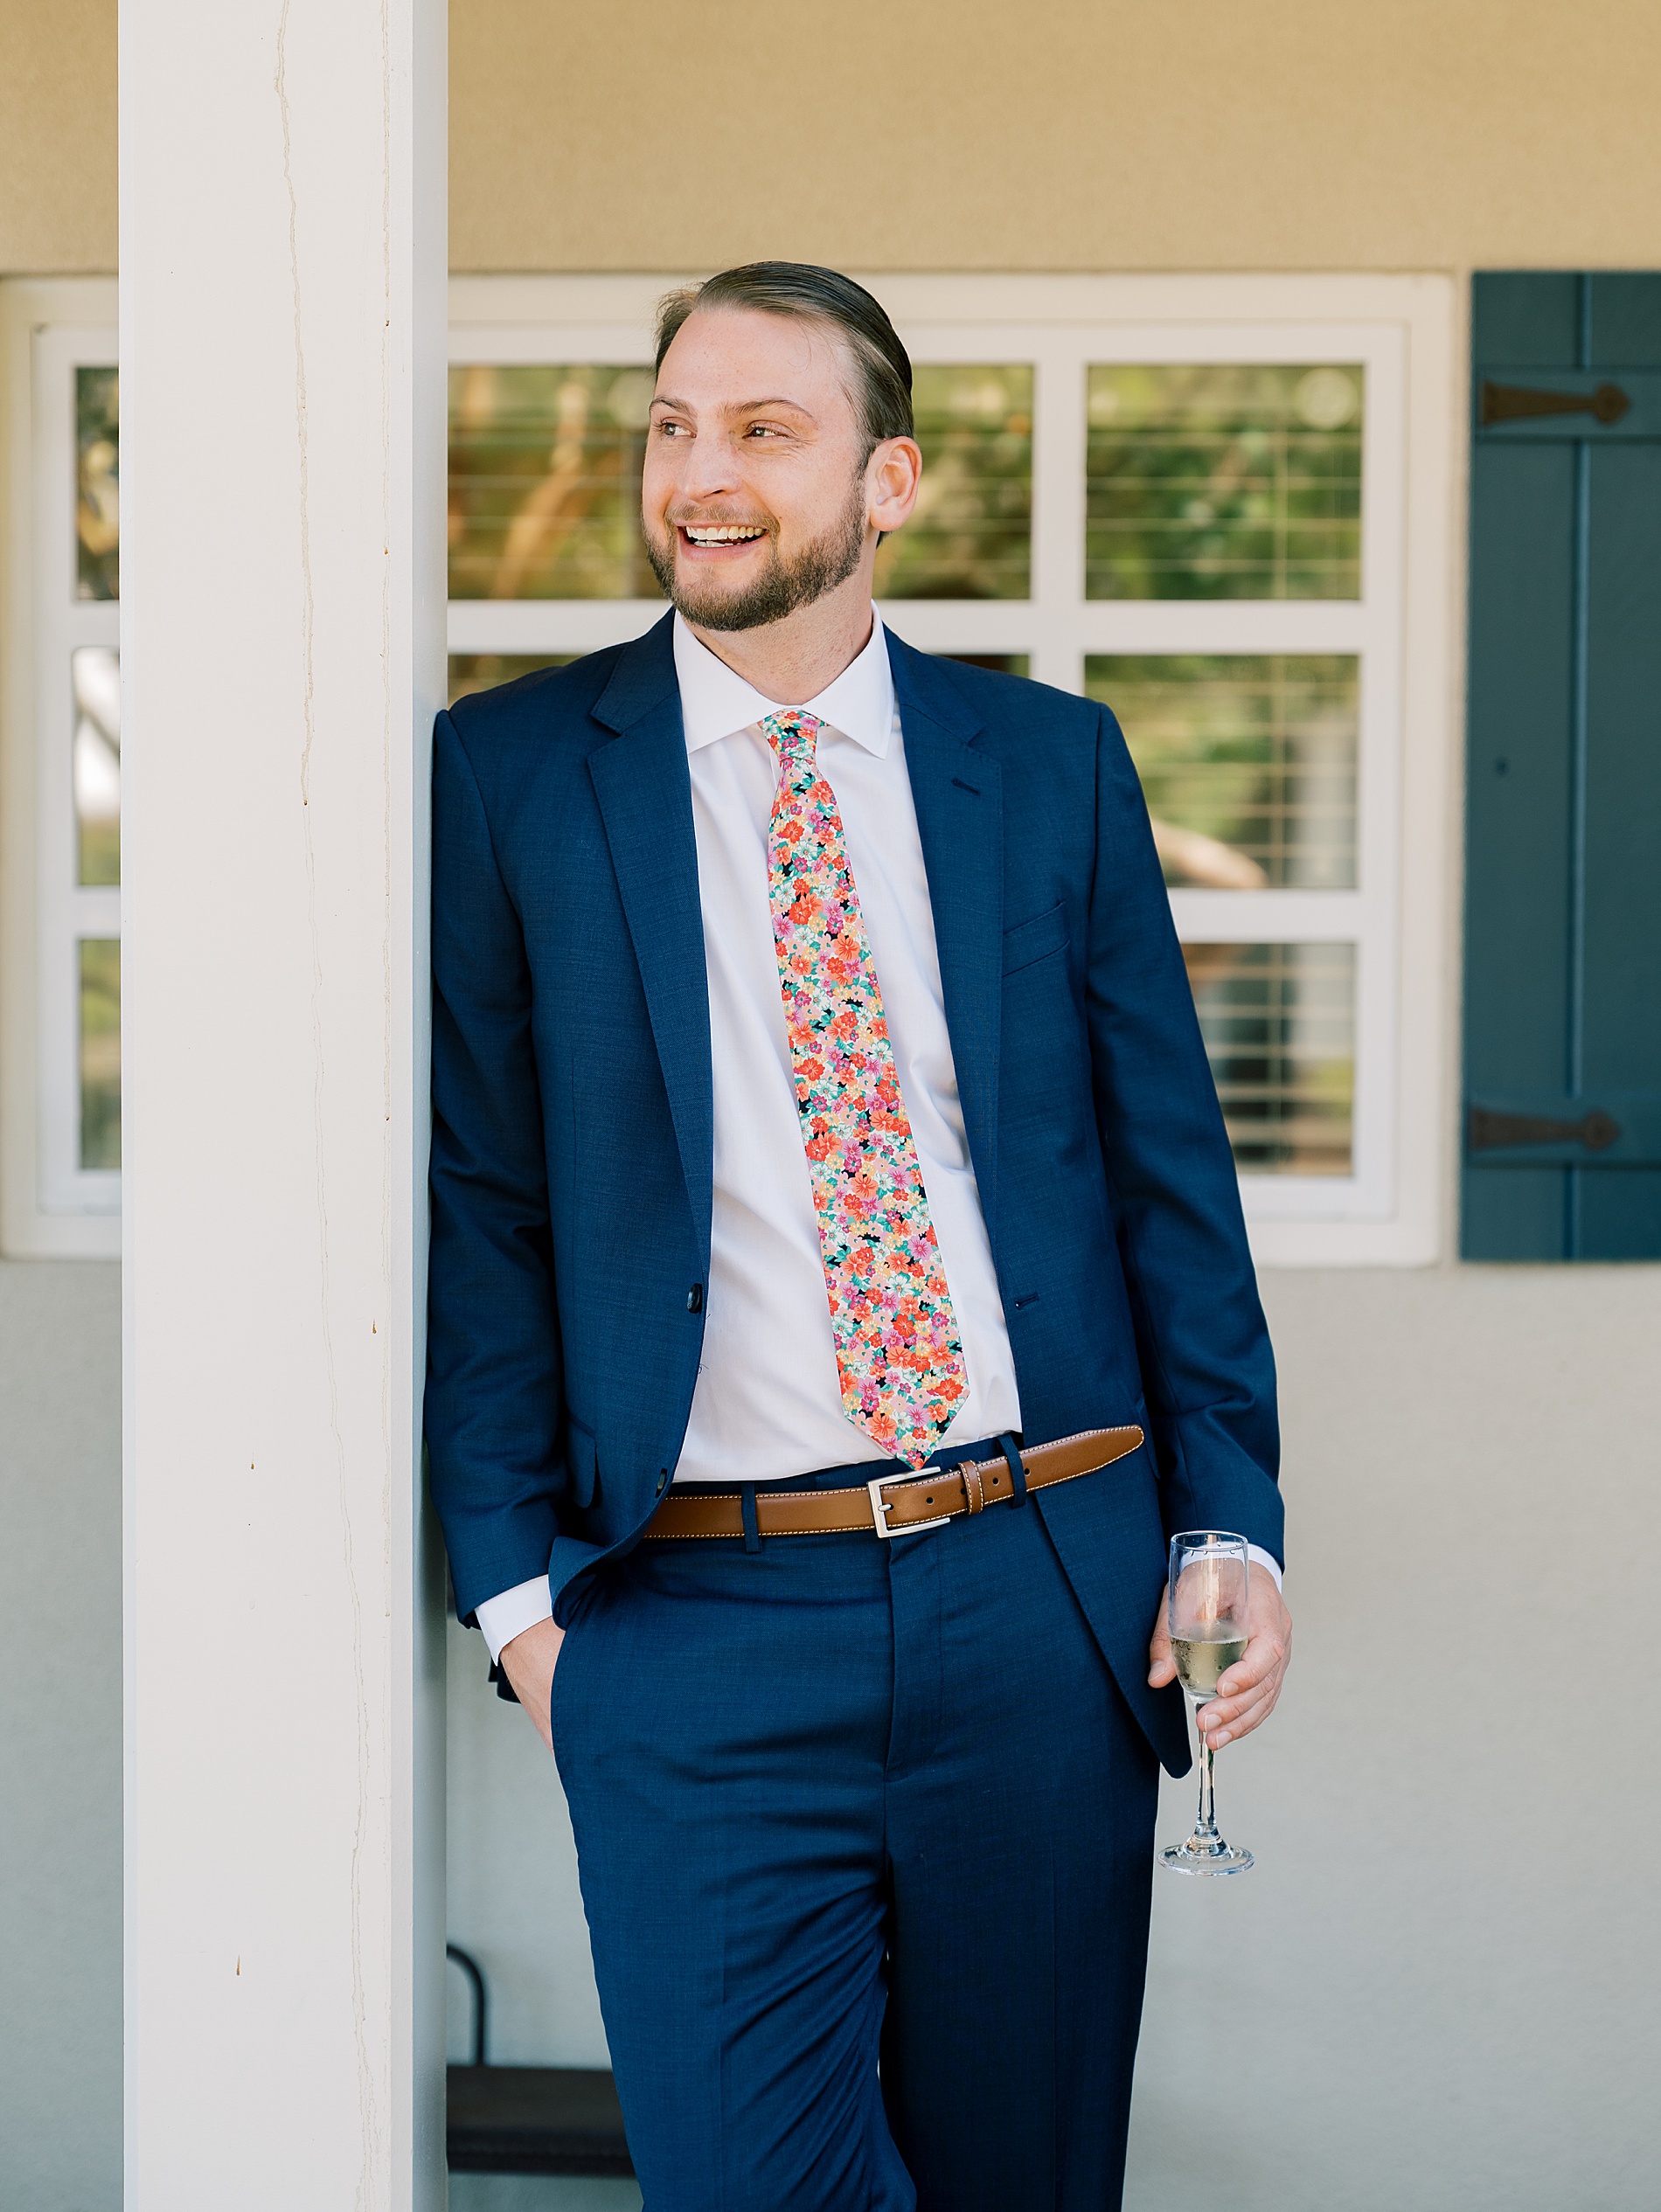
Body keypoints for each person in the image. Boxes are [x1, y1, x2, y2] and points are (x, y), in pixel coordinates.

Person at [426, 261, 1292, 2212]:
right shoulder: (506, 779)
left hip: (1033, 1597)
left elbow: (1168, 1182)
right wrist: (519, 1613)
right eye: (669, 427)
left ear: (885, 479)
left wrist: (1224, 1522)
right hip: (690, 1625)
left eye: (759, 428)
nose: (696, 474)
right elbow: (481, 1205)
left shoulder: (1047, 770)